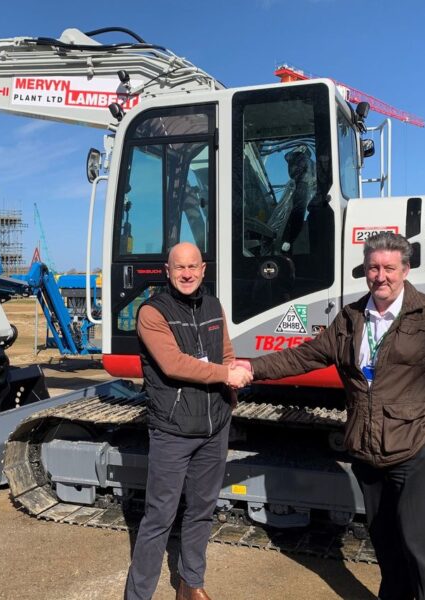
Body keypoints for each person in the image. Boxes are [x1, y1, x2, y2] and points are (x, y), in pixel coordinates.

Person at [241, 231, 425, 600]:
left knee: (423, 554)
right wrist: (252, 368)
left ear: (405, 270)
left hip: (415, 453)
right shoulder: (352, 317)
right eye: (373, 267)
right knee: (386, 549)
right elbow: (306, 355)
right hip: (368, 453)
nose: (380, 276)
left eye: (388, 268)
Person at [124, 242, 252, 600]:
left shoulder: (213, 306)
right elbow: (174, 364)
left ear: (203, 269)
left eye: (193, 266)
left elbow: (226, 351)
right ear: (167, 272)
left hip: (214, 428)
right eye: (179, 267)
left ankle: (191, 585)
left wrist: (230, 400)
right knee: (158, 518)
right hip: (174, 431)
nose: (186, 273)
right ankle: (138, 596)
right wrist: (227, 375)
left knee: (201, 511)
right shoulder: (152, 312)